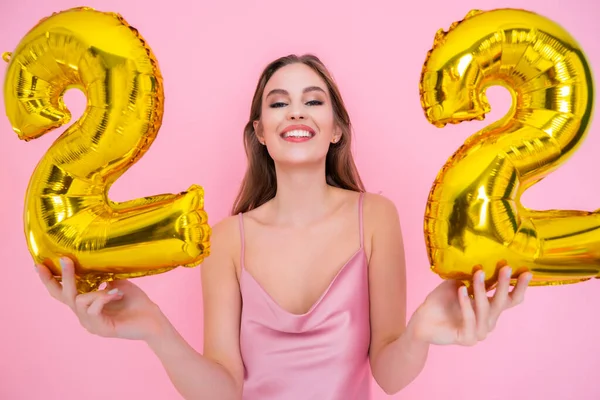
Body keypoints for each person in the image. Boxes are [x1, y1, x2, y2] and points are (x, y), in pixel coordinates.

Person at [36, 54, 532, 400]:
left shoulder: (376, 217)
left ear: (336, 128)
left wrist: (421, 330)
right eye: (278, 102)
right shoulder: (227, 239)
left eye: (313, 100)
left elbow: (390, 375)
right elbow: (223, 389)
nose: (296, 110)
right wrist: (154, 329)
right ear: (261, 133)